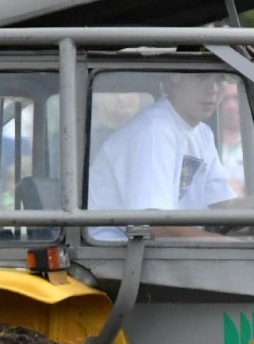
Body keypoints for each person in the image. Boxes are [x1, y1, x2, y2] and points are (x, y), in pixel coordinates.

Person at [86, 71, 237, 239]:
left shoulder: (202, 133)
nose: (213, 89)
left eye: (220, 79)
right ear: (176, 76)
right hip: (113, 254)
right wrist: (237, 246)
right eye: (201, 77)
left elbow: (223, 206)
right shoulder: (154, 130)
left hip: (158, 251)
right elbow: (154, 224)